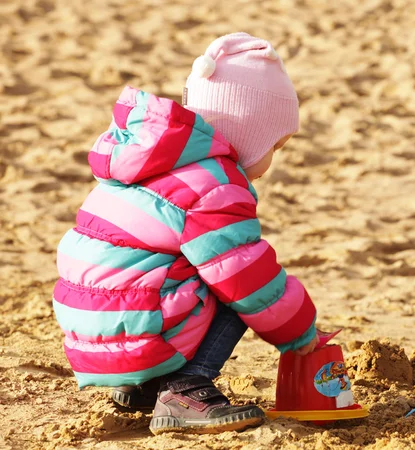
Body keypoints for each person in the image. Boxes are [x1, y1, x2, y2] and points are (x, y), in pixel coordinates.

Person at [53, 32, 319, 435]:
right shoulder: (215, 184)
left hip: (92, 336)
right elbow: (245, 278)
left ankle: (145, 385)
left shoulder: (149, 162)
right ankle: (183, 388)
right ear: (248, 136)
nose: (272, 160)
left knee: (180, 265)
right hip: (139, 332)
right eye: (274, 147)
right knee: (233, 281)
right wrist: (299, 331)